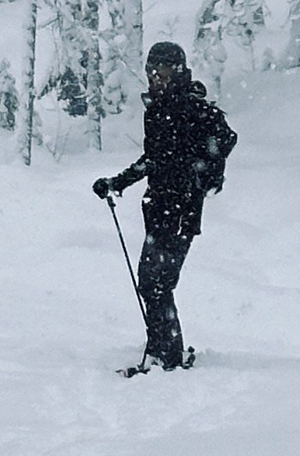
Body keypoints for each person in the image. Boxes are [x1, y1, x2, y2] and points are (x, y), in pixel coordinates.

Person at [95, 39, 236, 370]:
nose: (156, 78)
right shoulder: (159, 109)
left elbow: (225, 138)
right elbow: (153, 159)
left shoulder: (191, 107)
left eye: (163, 71)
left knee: (156, 283)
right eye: (152, 72)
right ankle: (162, 348)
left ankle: (167, 355)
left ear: (179, 71)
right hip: (159, 207)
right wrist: (118, 182)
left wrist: (202, 173)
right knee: (152, 282)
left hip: (181, 210)